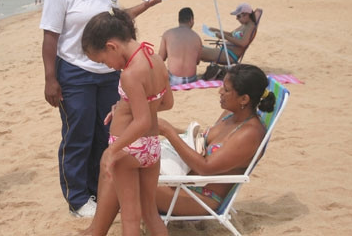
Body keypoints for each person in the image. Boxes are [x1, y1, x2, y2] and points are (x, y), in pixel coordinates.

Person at [40, 0, 164, 217]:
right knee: (78, 134)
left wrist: (150, 3)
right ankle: (78, 199)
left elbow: (117, 21)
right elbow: (50, 38)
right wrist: (50, 78)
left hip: (109, 70)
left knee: (107, 131)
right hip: (75, 71)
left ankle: (100, 191)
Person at [80, 63, 275, 234]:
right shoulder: (231, 115)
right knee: (120, 164)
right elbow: (199, 140)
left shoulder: (249, 134)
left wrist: (167, 131)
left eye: (226, 90)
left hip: (200, 198)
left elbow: (206, 168)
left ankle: (96, 232)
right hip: (185, 182)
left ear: (244, 99)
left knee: (121, 174)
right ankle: (95, 230)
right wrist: (128, 112)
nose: (220, 93)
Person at [81, 8, 173, 236]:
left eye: (103, 61)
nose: (108, 66)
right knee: (150, 213)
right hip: (151, 146)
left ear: (111, 46)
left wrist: (112, 150)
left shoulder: (130, 73)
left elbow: (140, 121)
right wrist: (126, 105)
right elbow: (166, 103)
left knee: (130, 217)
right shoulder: (155, 59)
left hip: (130, 148)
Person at [158, 7, 202, 85]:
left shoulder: (168, 34)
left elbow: (160, 58)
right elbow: (197, 62)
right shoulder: (197, 37)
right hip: (191, 79)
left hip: (173, 79)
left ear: (179, 20)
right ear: (191, 20)